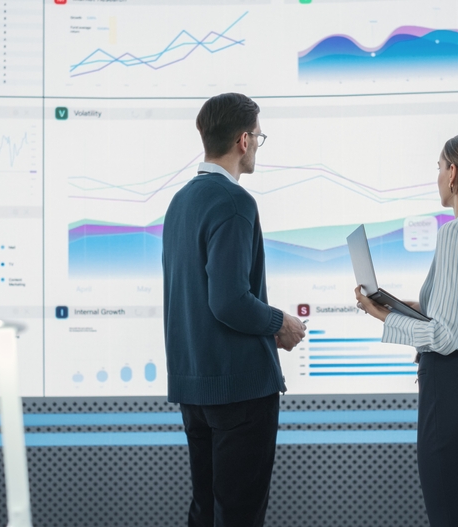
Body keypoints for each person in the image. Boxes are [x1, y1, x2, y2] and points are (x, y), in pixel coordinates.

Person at [355, 131, 458, 527]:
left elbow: (444, 337)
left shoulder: (457, 233)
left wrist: (381, 315)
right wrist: (415, 308)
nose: (437, 176)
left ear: (452, 175)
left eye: (438, 167)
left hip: (456, 393)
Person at [162, 92, 307, 527]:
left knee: (206, 512)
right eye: (259, 136)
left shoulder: (179, 203)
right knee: (240, 516)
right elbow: (228, 300)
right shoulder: (234, 203)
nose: (258, 144)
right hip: (239, 389)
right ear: (244, 140)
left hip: (196, 388)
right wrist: (278, 322)